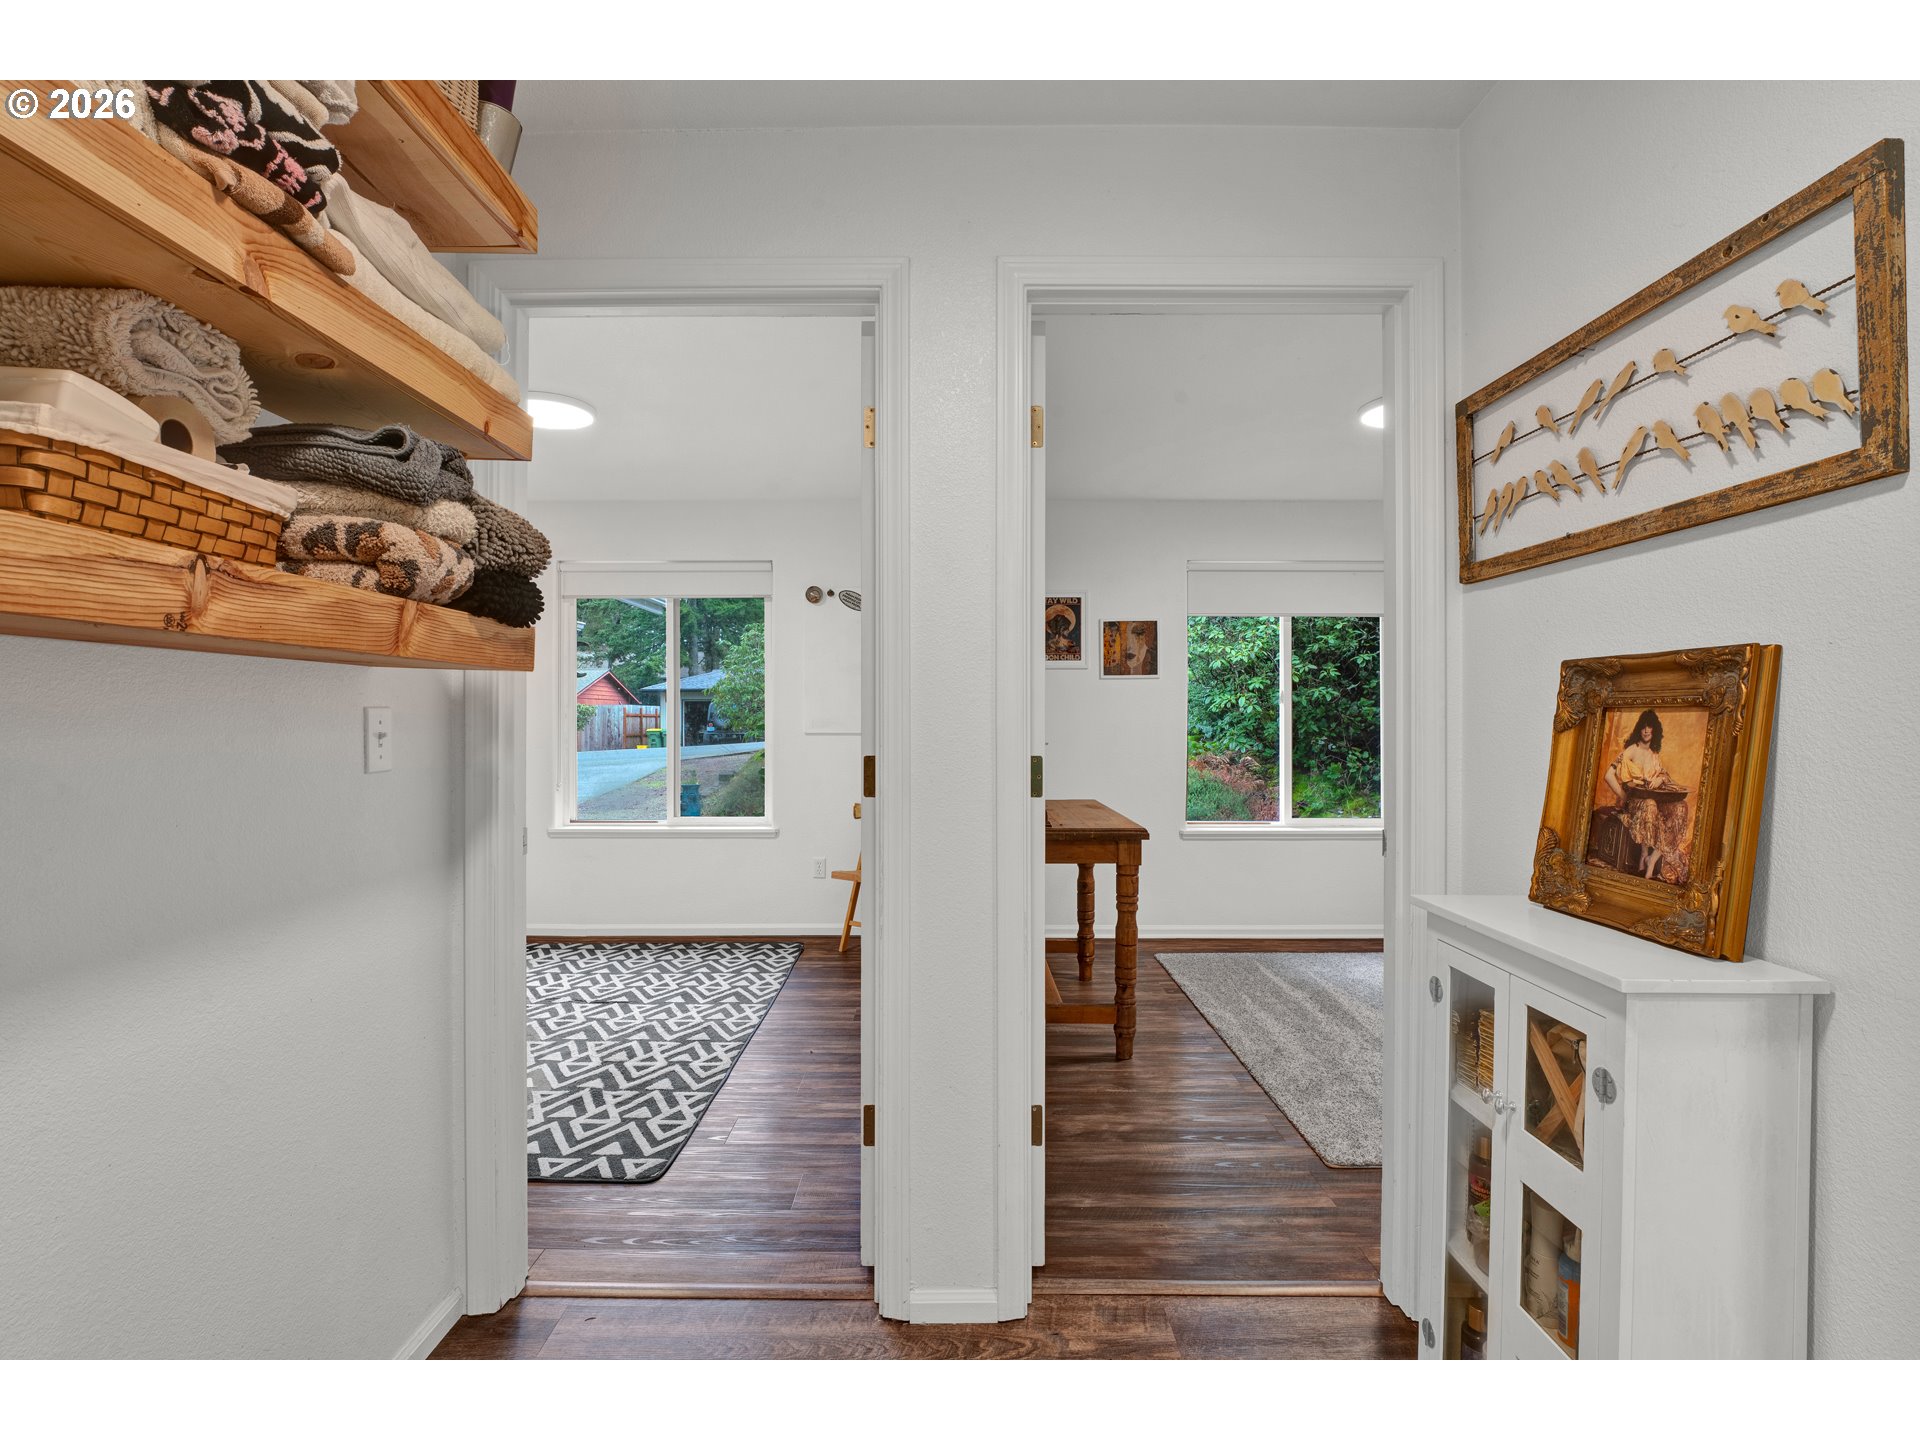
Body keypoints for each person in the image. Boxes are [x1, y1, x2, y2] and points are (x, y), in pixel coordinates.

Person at [1602, 709, 1679, 880]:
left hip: (1652, 801)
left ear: (1654, 730)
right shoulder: (1632, 750)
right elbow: (1608, 775)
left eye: (1649, 727)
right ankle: (1644, 854)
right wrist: (1624, 796)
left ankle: (1652, 859)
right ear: (1639, 729)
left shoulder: (1654, 755)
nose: (1646, 731)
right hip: (1635, 803)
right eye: (1643, 727)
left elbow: (1665, 777)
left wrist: (1660, 779)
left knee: (1679, 809)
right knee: (1650, 804)